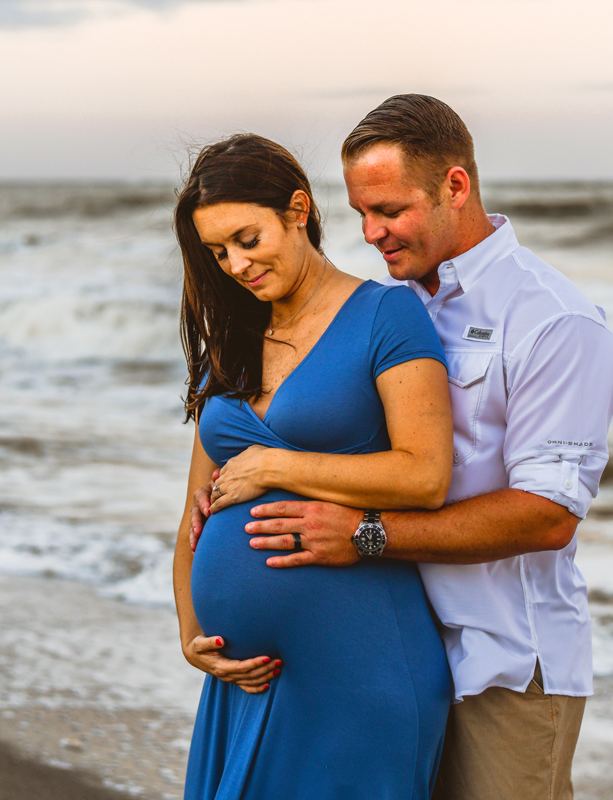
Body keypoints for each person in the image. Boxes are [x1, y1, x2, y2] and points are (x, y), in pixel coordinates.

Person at [192, 96, 613, 800]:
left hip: (502, 663)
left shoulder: (553, 321)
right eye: (361, 213)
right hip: (387, 646)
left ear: (456, 187)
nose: (372, 234)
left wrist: (364, 536)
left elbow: (548, 515)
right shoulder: (393, 303)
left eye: (390, 210)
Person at [170, 133, 455, 800]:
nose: (235, 265)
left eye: (247, 238)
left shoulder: (388, 315)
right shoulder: (232, 343)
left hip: (358, 665)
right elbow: (192, 516)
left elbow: (425, 474)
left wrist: (275, 465)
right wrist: (191, 633)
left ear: (298, 209)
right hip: (246, 678)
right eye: (217, 252)